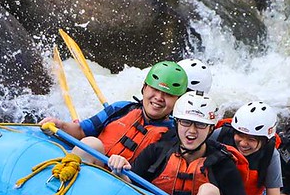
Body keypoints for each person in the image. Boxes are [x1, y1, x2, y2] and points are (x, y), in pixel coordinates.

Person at [107, 91, 257, 195]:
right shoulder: (157, 151)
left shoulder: (222, 163)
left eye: (200, 125)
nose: (192, 131)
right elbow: (128, 185)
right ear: (177, 123)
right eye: (186, 122)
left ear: (211, 128)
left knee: (209, 192)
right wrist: (119, 169)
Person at [41, 61, 188, 163]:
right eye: (155, 89)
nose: (159, 98)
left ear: (178, 101)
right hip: (93, 168)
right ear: (144, 88)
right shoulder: (121, 109)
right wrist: (60, 125)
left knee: (92, 144)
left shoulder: (175, 135)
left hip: (124, 186)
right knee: (91, 143)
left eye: (168, 95)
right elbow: (81, 131)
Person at [212, 101, 283, 195]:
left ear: (265, 140)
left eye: (251, 139)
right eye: (240, 135)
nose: (243, 143)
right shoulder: (219, 136)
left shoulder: (270, 154)